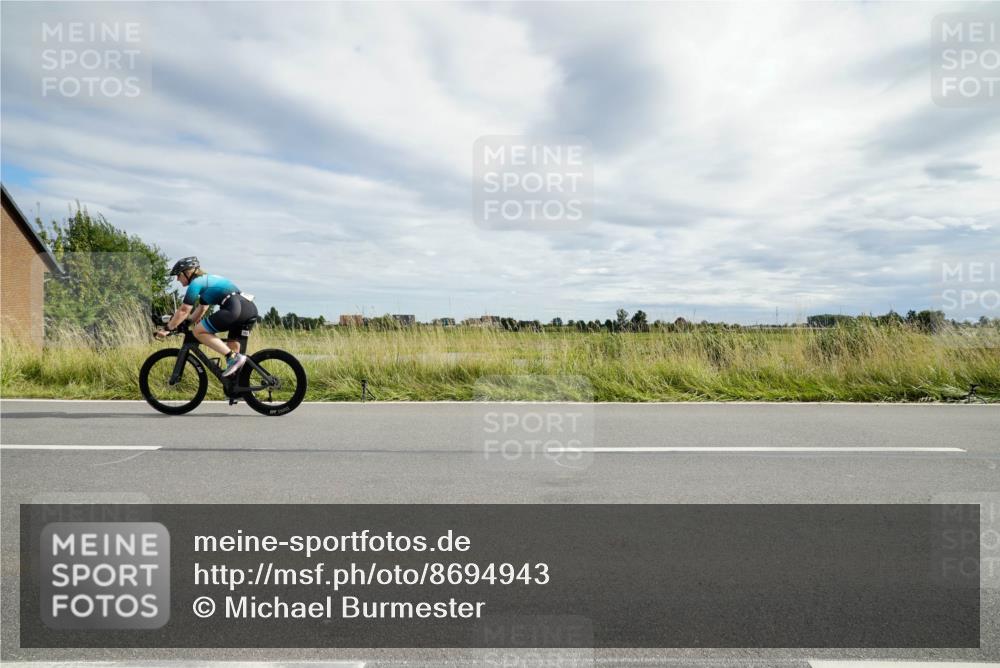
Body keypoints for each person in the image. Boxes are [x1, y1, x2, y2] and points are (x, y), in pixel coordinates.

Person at [155, 257, 257, 377]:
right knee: (233, 346)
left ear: (187, 272)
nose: (177, 279)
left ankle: (232, 357)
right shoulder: (208, 281)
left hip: (233, 308)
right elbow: (202, 309)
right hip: (248, 308)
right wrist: (186, 323)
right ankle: (238, 385)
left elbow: (184, 310)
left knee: (198, 331)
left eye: (178, 275)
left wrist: (168, 328)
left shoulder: (196, 283)